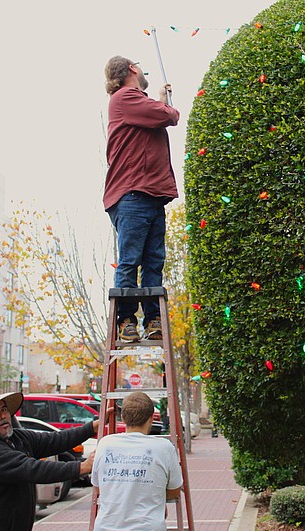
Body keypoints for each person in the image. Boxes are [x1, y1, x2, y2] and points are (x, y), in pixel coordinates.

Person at [103, 55, 180, 343]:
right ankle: (126, 321)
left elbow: (159, 114)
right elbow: (168, 116)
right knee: (131, 260)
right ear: (132, 69)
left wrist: (161, 100)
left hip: (149, 196)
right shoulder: (125, 98)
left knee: (153, 261)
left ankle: (152, 320)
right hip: (133, 195)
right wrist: (165, 103)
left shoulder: (135, 103)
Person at [0, 386, 105, 531]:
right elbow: (33, 469)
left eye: (4, 409)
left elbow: (55, 440)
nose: (2, 416)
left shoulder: (16, 438)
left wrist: (92, 427)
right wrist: (83, 467)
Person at [92, 391, 182, 531]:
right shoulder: (164, 448)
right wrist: (154, 496)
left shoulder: (105, 444)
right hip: (149, 528)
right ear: (151, 418)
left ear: (123, 417)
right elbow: (174, 491)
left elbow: (98, 488)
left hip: (105, 528)